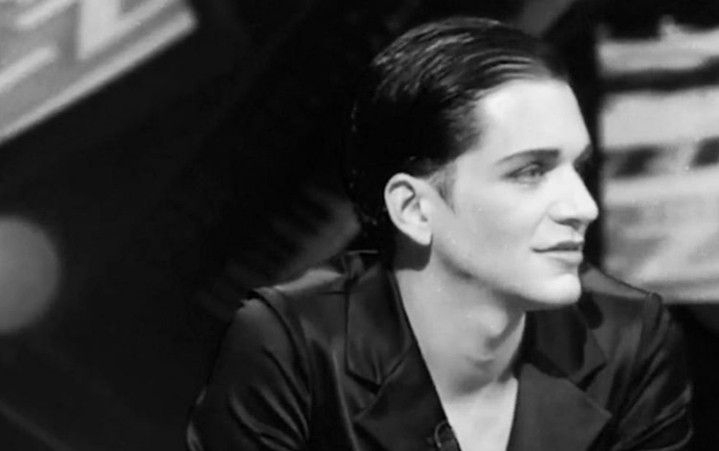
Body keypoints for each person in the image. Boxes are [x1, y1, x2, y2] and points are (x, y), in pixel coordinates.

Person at [187, 17, 692, 451]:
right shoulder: (285, 352)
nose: (585, 207)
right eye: (530, 172)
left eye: (576, 168)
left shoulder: (635, 337)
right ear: (413, 209)